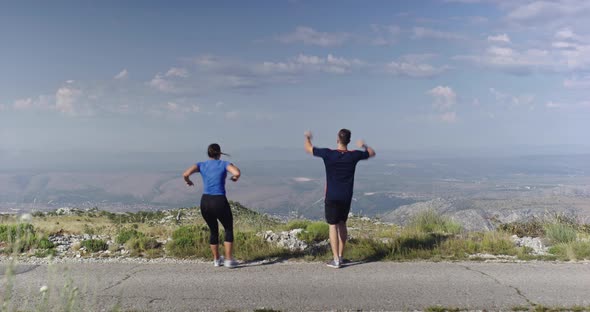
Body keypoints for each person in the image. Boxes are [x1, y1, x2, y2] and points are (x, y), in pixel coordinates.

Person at [304, 129, 376, 268]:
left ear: (337, 140)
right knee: (342, 224)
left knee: (333, 226)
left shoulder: (328, 154)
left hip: (332, 196)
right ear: (348, 141)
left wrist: (307, 137)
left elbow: (308, 148)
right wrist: (364, 145)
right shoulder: (354, 156)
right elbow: (372, 152)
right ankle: (341, 257)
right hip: (346, 196)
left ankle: (336, 260)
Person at [183, 143, 241, 268]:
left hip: (205, 201)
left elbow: (185, 174)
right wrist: (235, 177)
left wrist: (188, 182)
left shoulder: (201, 165)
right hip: (219, 200)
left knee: (213, 230)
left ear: (208, 154)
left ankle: (216, 260)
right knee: (228, 229)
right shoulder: (224, 164)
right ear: (219, 153)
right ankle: (229, 260)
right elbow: (236, 172)